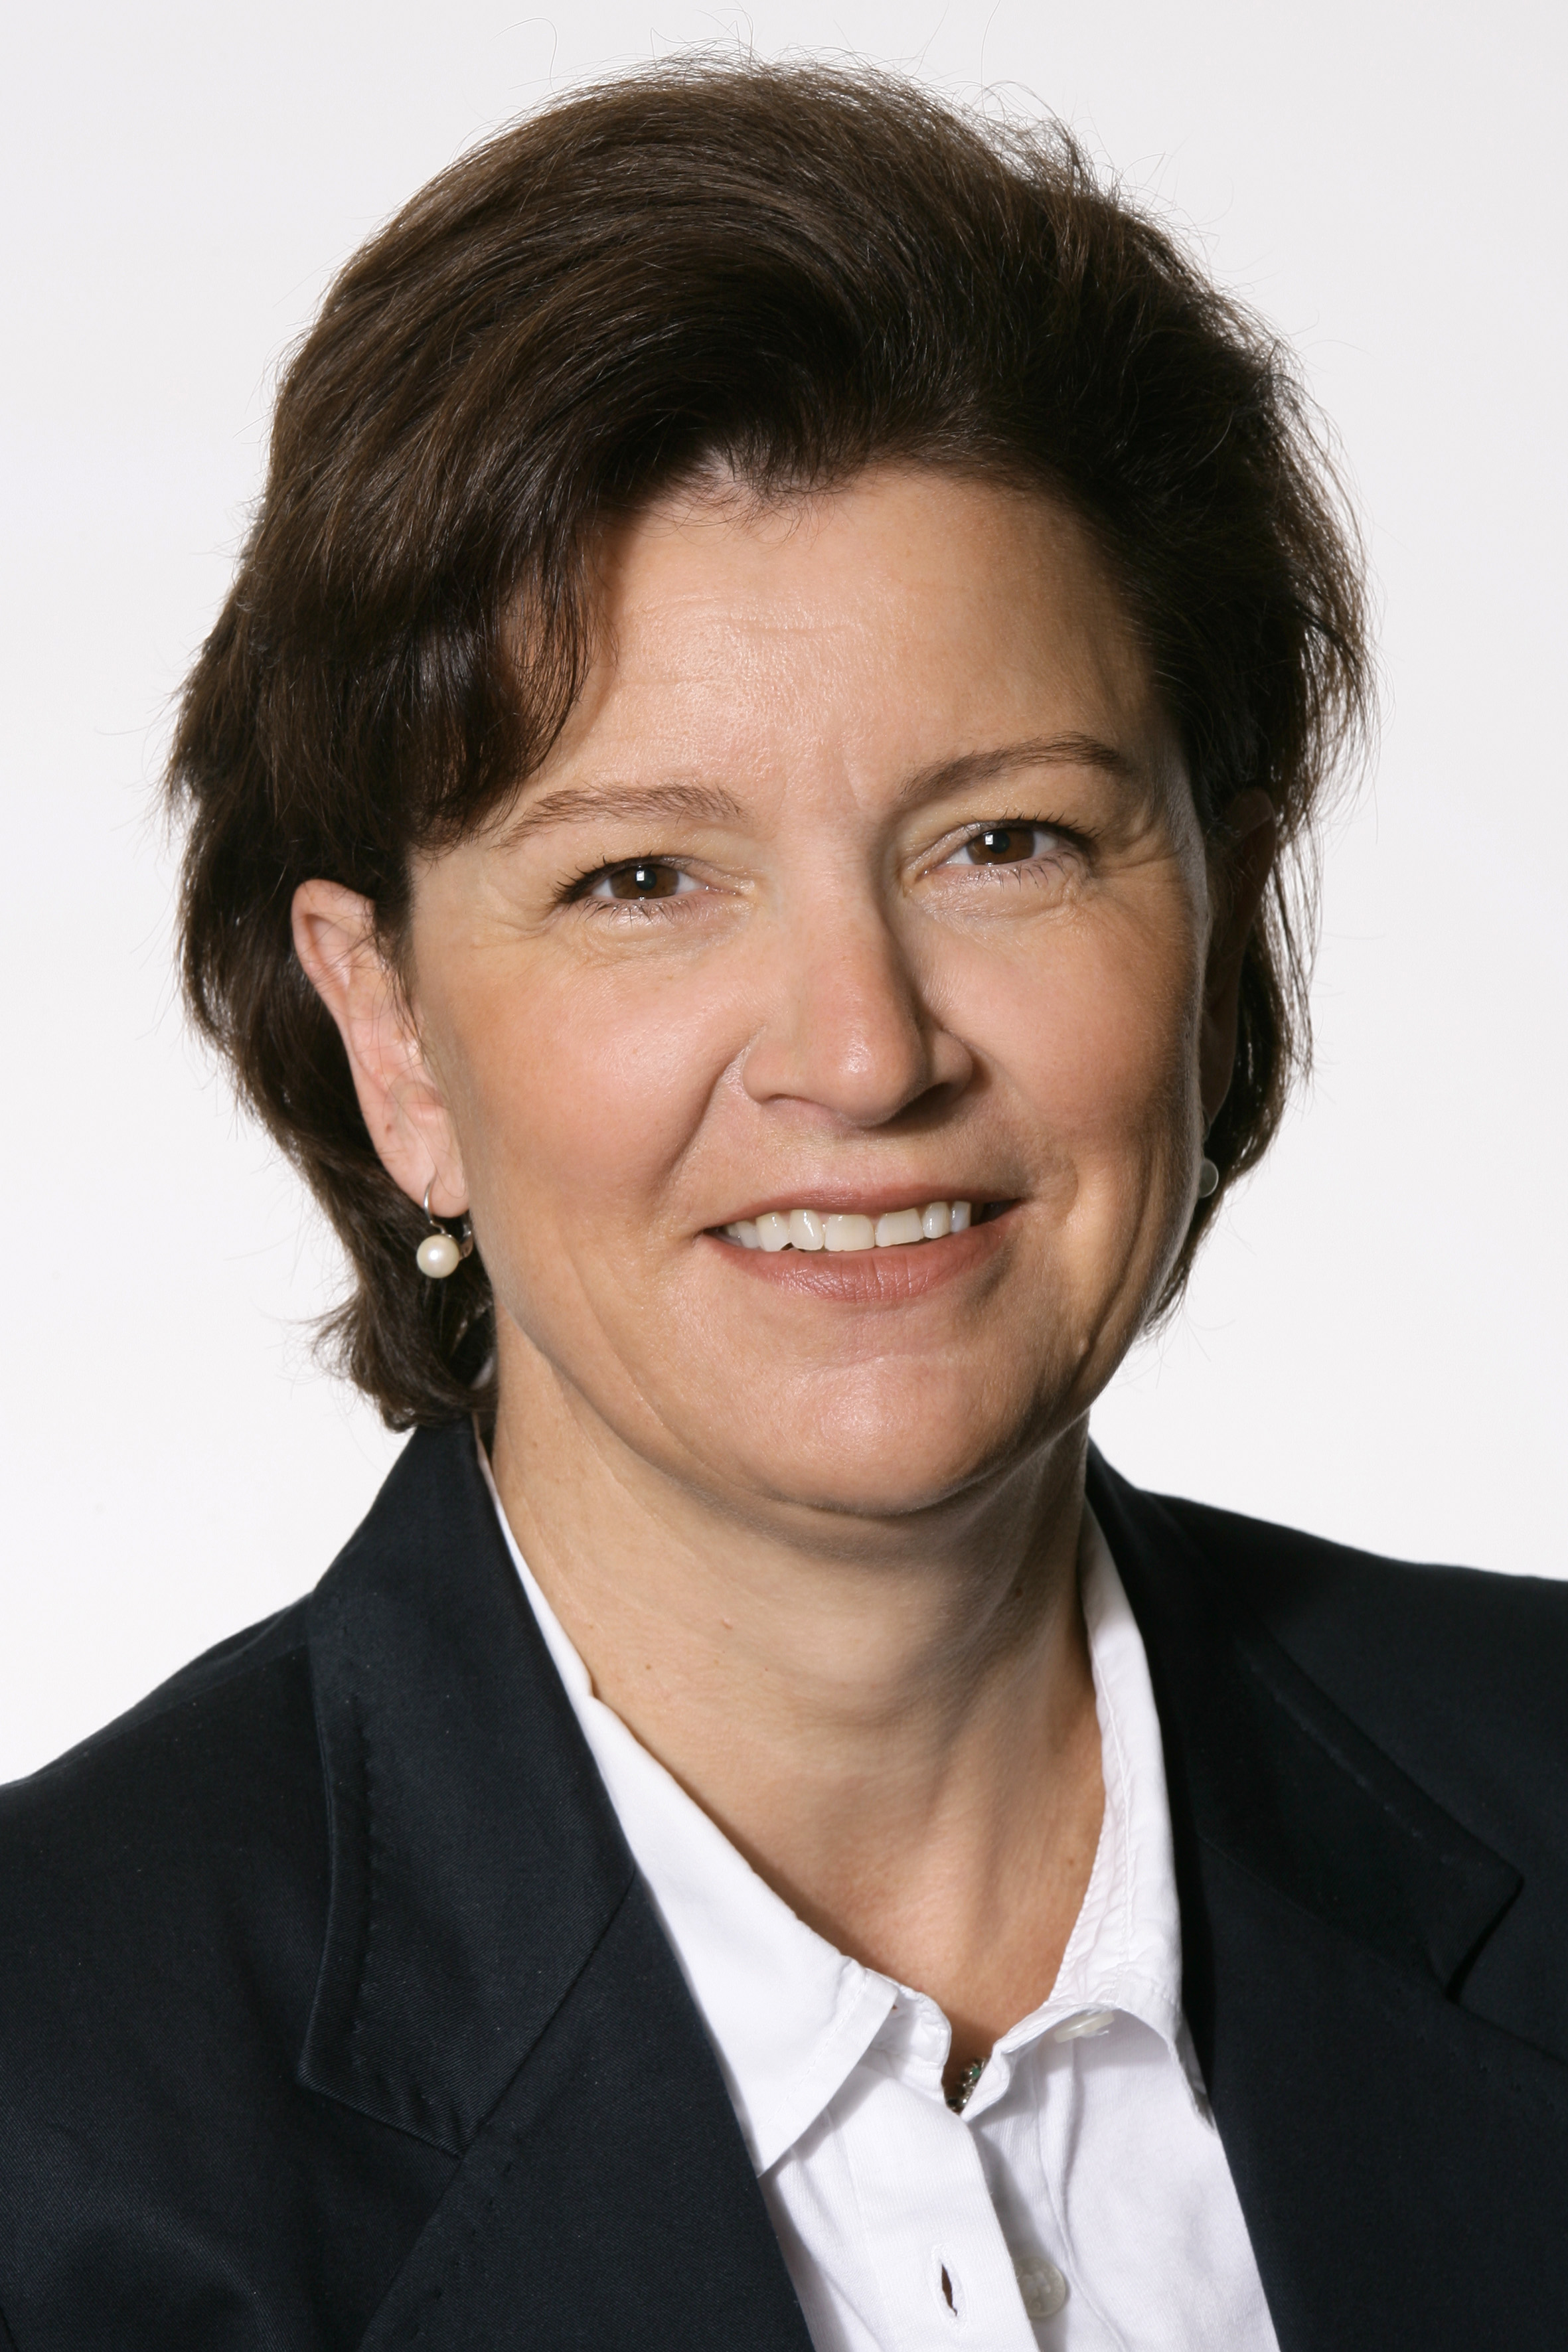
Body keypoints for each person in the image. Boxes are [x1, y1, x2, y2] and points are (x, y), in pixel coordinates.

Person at [1, 56, 1564, 2352]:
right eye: (642, 878)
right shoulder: (48, 2121)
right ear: (394, 1037)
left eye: (1006, 842)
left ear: (1220, 921)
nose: (862, 1050)